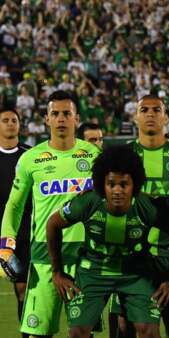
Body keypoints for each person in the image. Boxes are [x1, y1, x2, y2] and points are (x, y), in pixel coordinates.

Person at [46, 145, 169, 338]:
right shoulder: (88, 202)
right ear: (102, 184)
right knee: (77, 333)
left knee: (149, 331)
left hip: (135, 274)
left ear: (134, 185)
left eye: (124, 184)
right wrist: (57, 272)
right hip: (93, 272)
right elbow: (53, 224)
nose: (117, 190)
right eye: (111, 184)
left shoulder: (147, 207)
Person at [0, 90, 100, 337]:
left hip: (84, 255)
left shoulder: (94, 155)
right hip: (44, 254)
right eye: (55, 113)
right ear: (47, 119)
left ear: (76, 119)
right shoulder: (30, 159)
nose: (61, 119)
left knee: (81, 332)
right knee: (36, 333)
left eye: (67, 113)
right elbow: (14, 205)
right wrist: (5, 245)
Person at [110, 94, 169, 338]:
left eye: (156, 110)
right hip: (131, 258)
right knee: (125, 326)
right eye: (144, 109)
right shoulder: (122, 156)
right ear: (135, 116)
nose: (150, 114)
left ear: (165, 117)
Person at [0, 108, 31, 338]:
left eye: (14, 120)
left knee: (23, 290)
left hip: (25, 233)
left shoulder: (30, 156)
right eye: (5, 120)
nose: (10, 124)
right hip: (1, 234)